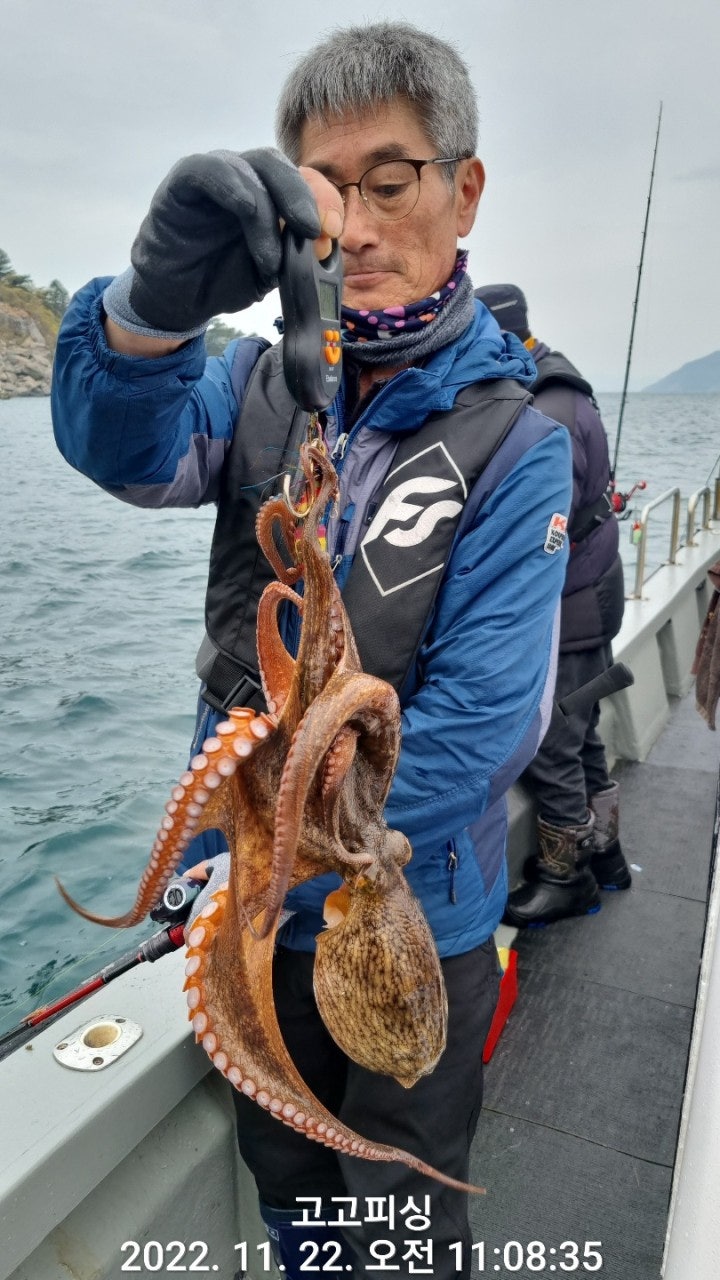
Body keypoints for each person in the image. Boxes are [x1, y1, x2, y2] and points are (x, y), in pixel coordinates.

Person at [52, 25, 572, 1280]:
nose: (359, 226)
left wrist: (271, 834)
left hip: (410, 907)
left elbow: (486, 724)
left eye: (390, 181)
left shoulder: (520, 437)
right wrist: (148, 312)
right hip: (246, 916)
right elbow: (123, 451)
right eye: (326, 192)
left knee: (400, 1211)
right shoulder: (255, 387)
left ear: (465, 190)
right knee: (292, 1190)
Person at [475, 283, 631, 928]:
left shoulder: (550, 409)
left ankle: (566, 876)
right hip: (595, 595)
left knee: (552, 739)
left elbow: (546, 526)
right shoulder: (557, 385)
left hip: (575, 606)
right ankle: (608, 854)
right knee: (583, 727)